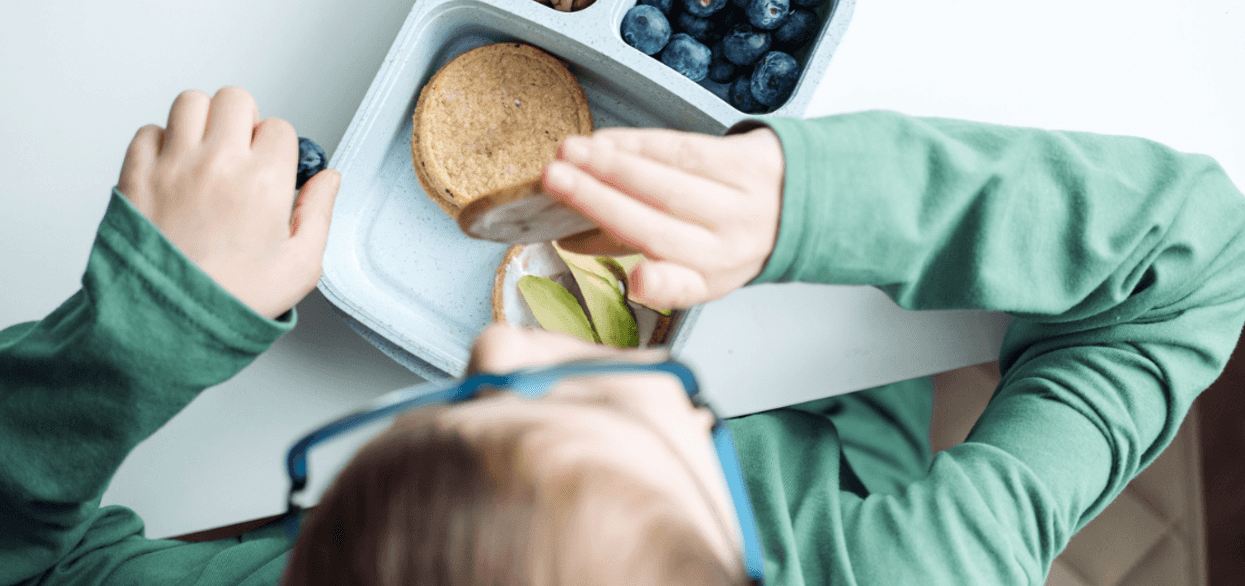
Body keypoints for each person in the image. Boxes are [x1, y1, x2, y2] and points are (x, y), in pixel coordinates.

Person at [2, 86, 1243, 586]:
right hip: (860, 387)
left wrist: (145, 329)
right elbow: (1194, 265)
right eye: (599, 403)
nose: (493, 352)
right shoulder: (924, 565)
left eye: (463, 420)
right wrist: (807, 200)